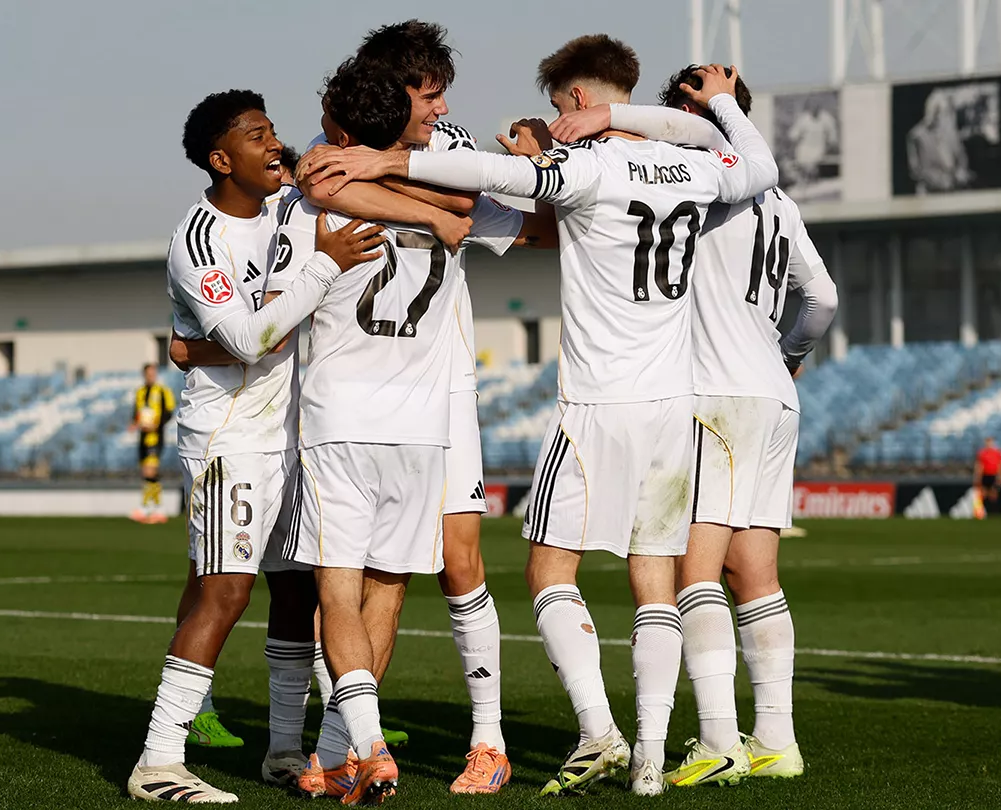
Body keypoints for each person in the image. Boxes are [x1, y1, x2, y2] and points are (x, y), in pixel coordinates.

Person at [300, 35, 778, 796]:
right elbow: (749, 158)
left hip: (591, 404)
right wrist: (713, 100)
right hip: (671, 401)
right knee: (653, 578)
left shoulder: (581, 169)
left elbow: (491, 177)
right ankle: (651, 758)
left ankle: (594, 730)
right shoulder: (699, 166)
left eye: (563, 108)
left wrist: (390, 164)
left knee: (544, 570)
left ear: (581, 106)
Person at [550, 63, 837, 784]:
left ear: (695, 113)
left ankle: (719, 743)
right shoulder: (777, 199)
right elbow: (823, 297)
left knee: (693, 572)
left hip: (712, 392)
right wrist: (789, 354)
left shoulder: (694, 184)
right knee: (758, 573)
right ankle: (775, 737)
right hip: (774, 394)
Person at [296, 19, 555, 795]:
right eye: (429, 96)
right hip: (389, 389)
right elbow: (324, 182)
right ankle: (341, 746)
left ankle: (488, 740)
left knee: (453, 562)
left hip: (438, 387)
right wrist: (438, 199)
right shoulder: (333, 146)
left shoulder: (443, 145)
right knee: (374, 574)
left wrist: (421, 179)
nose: (442, 112)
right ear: (390, 92)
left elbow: (515, 218)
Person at [126, 88, 383, 805]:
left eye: (273, 130)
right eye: (255, 135)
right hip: (231, 438)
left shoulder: (285, 208)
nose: (274, 143)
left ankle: (282, 747)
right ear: (219, 159)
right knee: (225, 591)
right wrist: (324, 266)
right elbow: (244, 339)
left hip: (295, 433)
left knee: (296, 587)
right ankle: (159, 760)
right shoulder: (199, 241)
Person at [129, 363, 176, 524]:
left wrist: (157, 424)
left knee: (150, 472)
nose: (151, 376)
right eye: (148, 373)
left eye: (153, 373)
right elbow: (136, 413)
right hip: (142, 437)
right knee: (146, 473)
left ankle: (150, 507)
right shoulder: (140, 392)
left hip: (156, 437)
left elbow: (169, 412)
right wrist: (134, 423)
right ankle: (155, 507)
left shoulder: (162, 391)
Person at [973, 437, 1001, 519]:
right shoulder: (982, 453)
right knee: (982, 494)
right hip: (985, 475)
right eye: (987, 442)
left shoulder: (998, 452)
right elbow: (979, 466)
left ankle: (994, 513)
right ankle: (981, 514)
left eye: (990, 442)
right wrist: (977, 477)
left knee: (993, 494)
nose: (988, 444)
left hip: (994, 475)